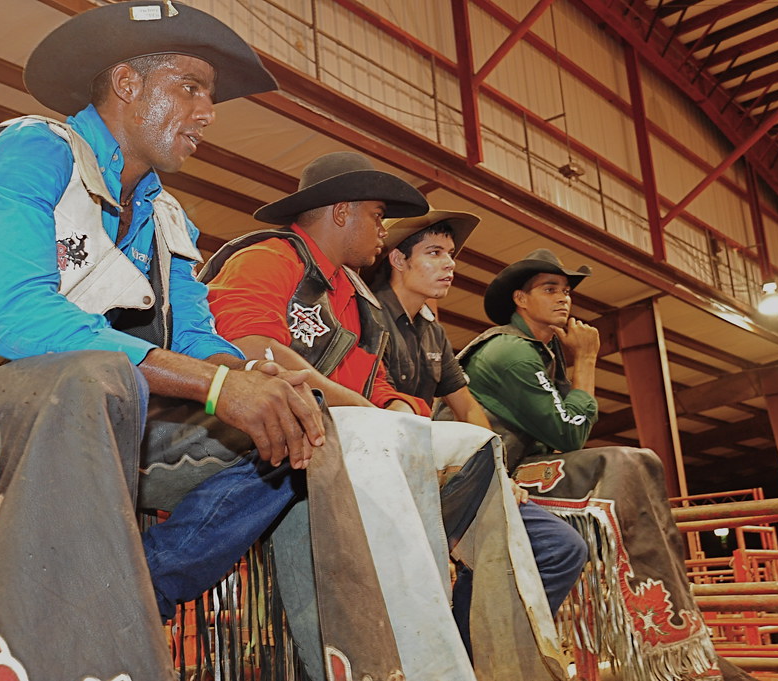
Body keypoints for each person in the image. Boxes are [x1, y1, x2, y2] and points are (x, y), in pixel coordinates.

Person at [0, 5, 399, 681]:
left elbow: (198, 337)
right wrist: (217, 386)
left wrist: (252, 380)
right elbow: (22, 320)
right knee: (97, 373)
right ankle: (104, 629)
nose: (207, 113)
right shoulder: (35, 149)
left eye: (209, 98)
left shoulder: (167, 216)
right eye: (190, 87)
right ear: (127, 83)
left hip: (97, 418)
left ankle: (138, 590)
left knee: (303, 422)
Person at [201, 153, 569, 681]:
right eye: (377, 215)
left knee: (480, 473)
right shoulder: (269, 256)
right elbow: (247, 345)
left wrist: (392, 408)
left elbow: (375, 387)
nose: (382, 228)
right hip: (258, 439)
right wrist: (370, 410)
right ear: (342, 211)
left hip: (327, 446)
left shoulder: (355, 298)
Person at [451, 248, 737, 681]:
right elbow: (571, 434)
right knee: (625, 465)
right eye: (550, 289)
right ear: (520, 299)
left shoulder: (542, 350)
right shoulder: (510, 351)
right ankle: (507, 652)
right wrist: (587, 360)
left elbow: (565, 431)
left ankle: (485, 652)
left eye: (566, 291)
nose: (563, 298)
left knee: (628, 471)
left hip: (508, 470)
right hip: (472, 474)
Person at [370, 211, 587, 660]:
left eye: (450, 254)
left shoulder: (432, 332)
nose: (449, 264)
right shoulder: (366, 316)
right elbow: (570, 433)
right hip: (387, 475)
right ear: (398, 259)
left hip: (441, 474)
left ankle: (479, 657)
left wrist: (497, 472)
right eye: (434, 253)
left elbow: (468, 408)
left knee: (562, 547)